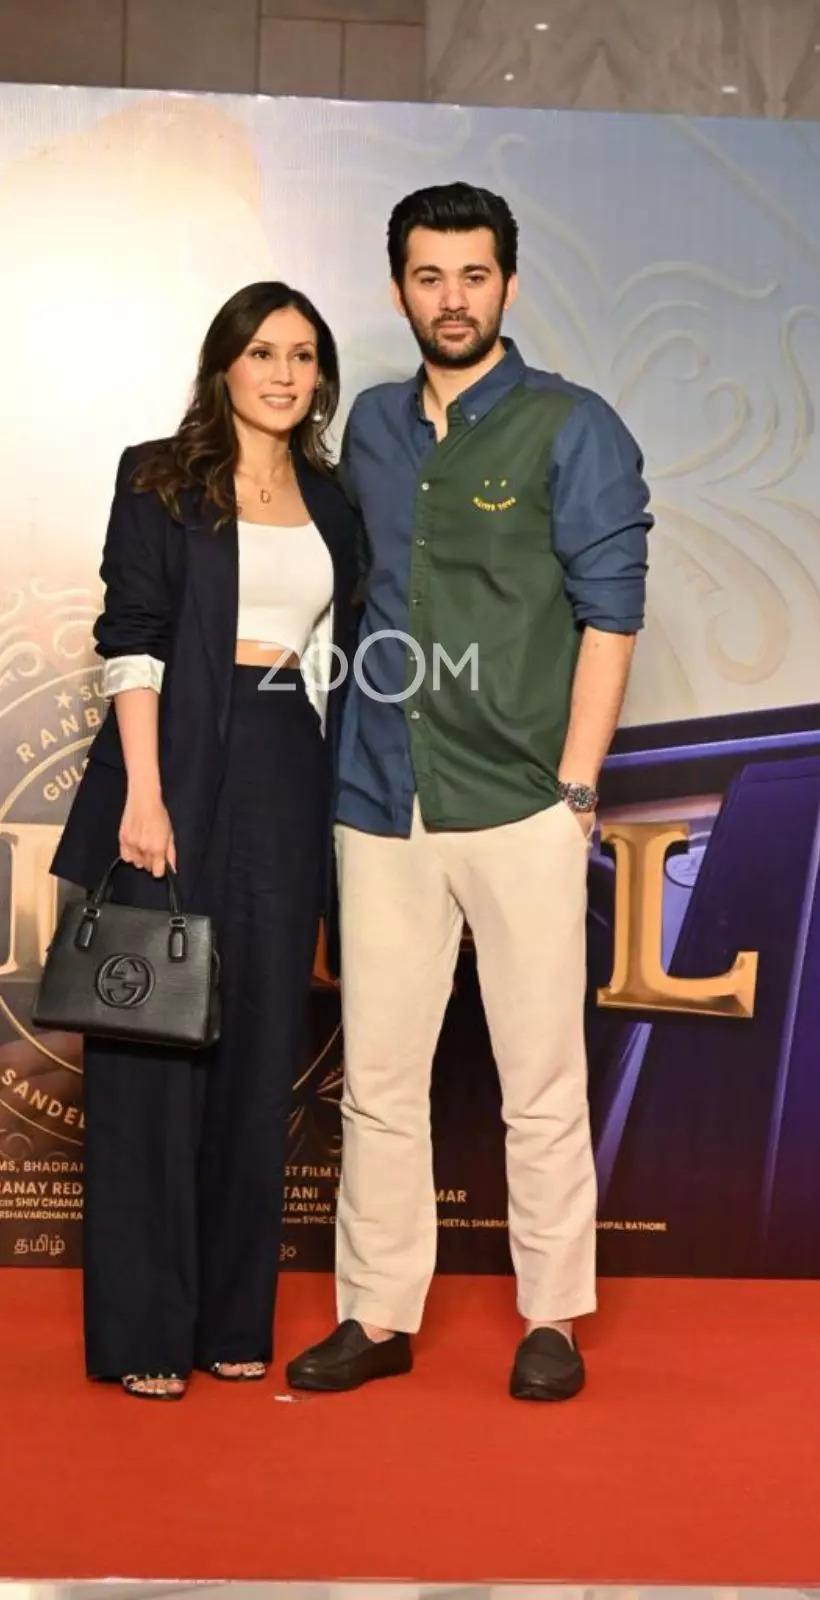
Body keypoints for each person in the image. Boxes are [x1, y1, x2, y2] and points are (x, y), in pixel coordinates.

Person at [286, 183, 652, 1402]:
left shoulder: (572, 426)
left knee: (539, 1076)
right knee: (380, 1079)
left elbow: (613, 612)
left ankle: (551, 1317)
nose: (454, 298)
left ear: (508, 283)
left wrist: (579, 790)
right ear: (399, 288)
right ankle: (378, 1313)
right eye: (430, 277)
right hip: (381, 797)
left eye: (475, 275)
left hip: (522, 804)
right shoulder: (370, 435)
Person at [51, 281, 360, 1400]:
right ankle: (143, 1331)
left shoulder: (333, 500)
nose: (285, 373)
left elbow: (338, 657)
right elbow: (131, 635)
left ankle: (234, 1317)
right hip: (170, 757)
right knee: (149, 1048)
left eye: (304, 355)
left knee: (260, 1047)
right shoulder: (160, 476)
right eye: (263, 351)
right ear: (223, 363)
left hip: (286, 769)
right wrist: (145, 789)